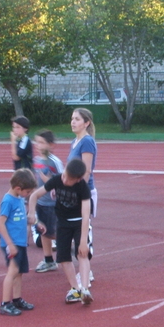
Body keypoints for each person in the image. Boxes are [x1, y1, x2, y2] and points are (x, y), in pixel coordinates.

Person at [28, 158, 93, 306]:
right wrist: (32, 213)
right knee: (63, 257)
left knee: (82, 253)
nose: (64, 180)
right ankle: (75, 289)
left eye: (68, 179)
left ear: (78, 179)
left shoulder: (83, 188)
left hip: (79, 223)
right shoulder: (57, 180)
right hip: (62, 223)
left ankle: (85, 289)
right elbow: (34, 196)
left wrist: (83, 241)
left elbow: (85, 216)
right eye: (64, 175)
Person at [0, 169, 38, 316]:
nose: (28, 195)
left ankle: (16, 299)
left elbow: (20, 219)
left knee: (19, 272)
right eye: (27, 192)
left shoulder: (19, 199)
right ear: (18, 188)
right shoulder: (8, 200)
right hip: (12, 244)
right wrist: (10, 244)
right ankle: (5, 303)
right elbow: (1, 223)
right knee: (13, 272)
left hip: (20, 242)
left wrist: (34, 222)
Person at [68, 108, 97, 283]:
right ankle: (86, 270)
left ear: (86, 123)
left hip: (82, 193)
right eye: (72, 119)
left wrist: (77, 192)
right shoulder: (75, 141)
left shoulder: (87, 142)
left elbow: (86, 171)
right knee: (75, 232)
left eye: (77, 119)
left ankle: (86, 270)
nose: (73, 122)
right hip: (73, 192)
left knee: (83, 232)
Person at [31, 130, 63, 273]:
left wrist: (49, 182)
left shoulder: (55, 162)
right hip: (40, 203)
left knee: (53, 233)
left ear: (51, 145)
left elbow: (63, 182)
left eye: (42, 142)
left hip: (53, 204)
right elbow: (35, 181)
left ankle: (71, 254)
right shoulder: (37, 161)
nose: (38, 145)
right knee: (43, 231)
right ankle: (48, 260)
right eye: (37, 142)